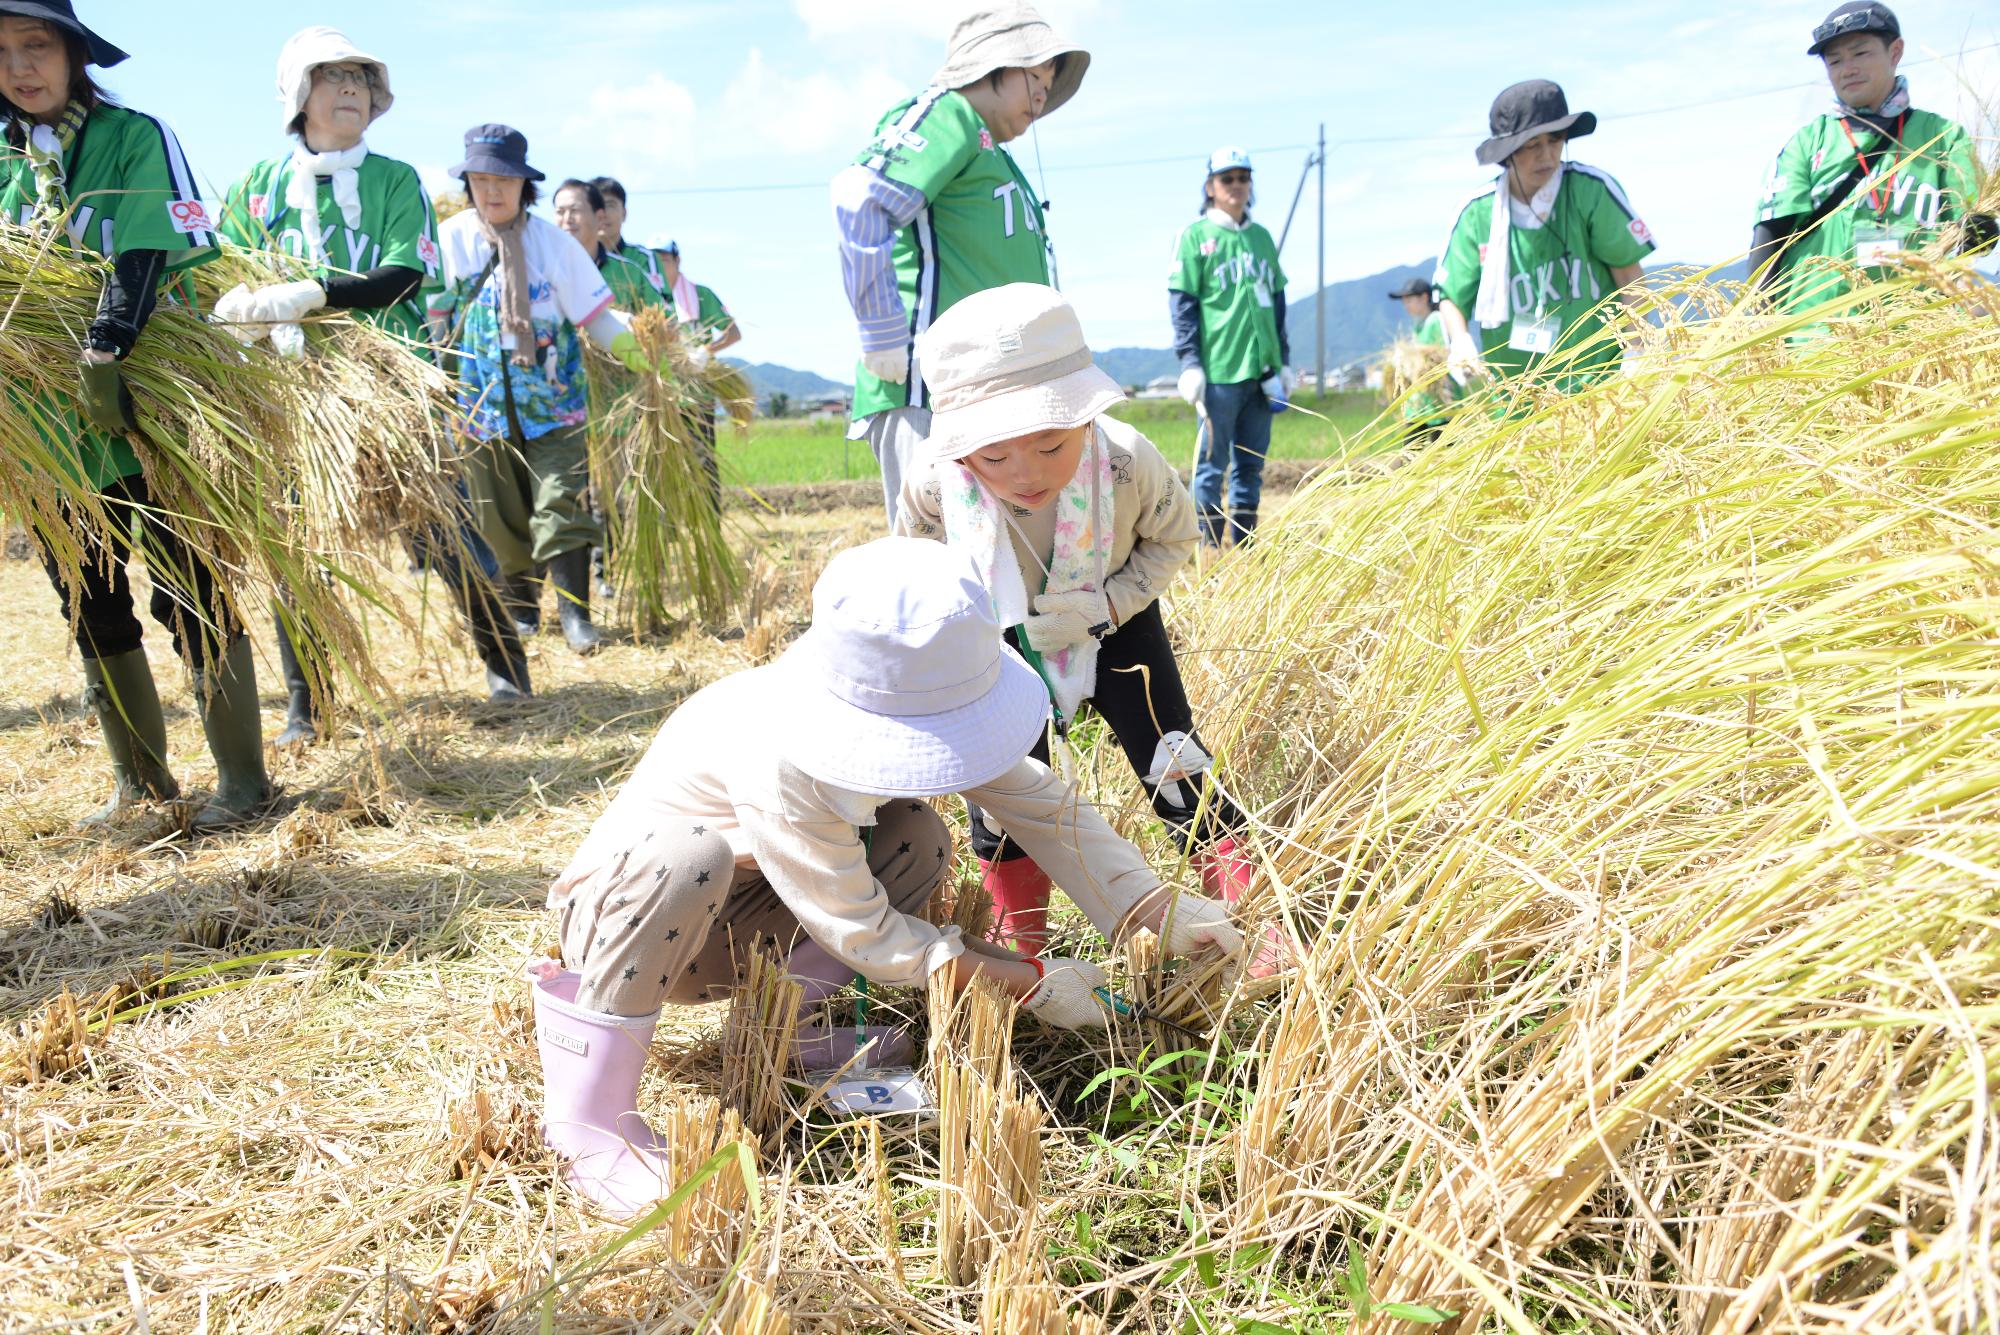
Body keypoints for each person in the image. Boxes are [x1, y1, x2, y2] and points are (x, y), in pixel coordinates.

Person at [534, 534, 1245, 1216]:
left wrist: (1156, 910)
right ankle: (590, 1115)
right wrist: (1029, 982)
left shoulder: (914, 684)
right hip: (637, 930)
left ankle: (790, 1029)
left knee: (915, 837)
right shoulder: (776, 750)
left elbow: (1042, 807)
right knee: (691, 855)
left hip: (756, 911)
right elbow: (865, 931)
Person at [893, 283, 1281, 976]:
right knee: (1006, 791)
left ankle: (1252, 920)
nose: (1027, 474)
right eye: (995, 458)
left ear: (1084, 418)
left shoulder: (1126, 460)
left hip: (1118, 627)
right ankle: (1020, 952)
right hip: (1000, 641)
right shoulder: (933, 486)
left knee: (1174, 762)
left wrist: (1106, 606)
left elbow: (1174, 538)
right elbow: (915, 570)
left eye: (1051, 444)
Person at [215, 27, 532, 744]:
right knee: (297, 545)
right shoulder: (254, 187)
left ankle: (506, 665)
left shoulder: (394, 180)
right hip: (292, 388)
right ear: (299, 93)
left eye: (360, 77)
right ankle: (308, 704)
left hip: (385, 381)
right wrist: (239, 309)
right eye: (332, 76)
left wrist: (315, 293)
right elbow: (227, 273)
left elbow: (405, 274)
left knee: (445, 530)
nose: (350, 87)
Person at [0, 0, 271, 831]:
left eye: (36, 45)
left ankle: (243, 782)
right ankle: (141, 784)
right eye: (1, 52)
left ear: (75, 53)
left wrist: (106, 346)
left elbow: (148, 248)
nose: (19, 67)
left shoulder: (134, 136)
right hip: (45, 428)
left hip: (146, 401)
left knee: (191, 587)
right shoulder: (4, 161)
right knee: (88, 599)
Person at [831, 2, 1088, 527]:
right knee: (939, 556)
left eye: (1049, 84)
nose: (1043, 96)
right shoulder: (950, 115)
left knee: (997, 559)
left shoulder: (994, 150)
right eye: (1034, 77)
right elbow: (860, 196)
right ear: (992, 67)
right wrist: (882, 333)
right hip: (932, 390)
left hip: (991, 395)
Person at [424, 125, 669, 657]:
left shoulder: (553, 245)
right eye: (481, 180)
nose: (492, 190)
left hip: (554, 404)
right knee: (497, 512)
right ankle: (522, 609)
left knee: (561, 499)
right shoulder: (449, 241)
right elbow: (429, 315)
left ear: (524, 185)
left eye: (504, 180)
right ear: (468, 184)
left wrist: (645, 358)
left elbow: (595, 318)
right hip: (479, 407)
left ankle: (576, 614)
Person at [1752, 2, 1990, 313]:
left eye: (1861, 53)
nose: (1847, 69)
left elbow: (1973, 233)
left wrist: (1981, 232)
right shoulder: (1808, 143)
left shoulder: (1944, 137)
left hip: (1915, 327)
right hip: (1814, 329)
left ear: (1895, 51)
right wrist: (1758, 316)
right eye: (1834, 60)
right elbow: (1770, 238)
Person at [1433, 80, 1655, 392]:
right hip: (1516, 393)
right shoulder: (1476, 215)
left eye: (1555, 140)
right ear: (1508, 152)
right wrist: (1460, 340)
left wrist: (1637, 346)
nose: (1547, 155)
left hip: (1600, 385)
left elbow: (1629, 275)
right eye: (1532, 145)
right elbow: (1451, 296)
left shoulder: (1589, 191)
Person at [1169, 147, 1292, 546]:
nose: (1236, 185)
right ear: (1210, 186)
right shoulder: (1194, 237)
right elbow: (1183, 305)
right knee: (1211, 465)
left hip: (1263, 373)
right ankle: (1207, 551)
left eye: (1243, 177)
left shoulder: (1261, 238)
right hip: (1219, 372)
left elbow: (1277, 304)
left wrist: (1284, 360)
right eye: (1227, 178)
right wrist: (1190, 362)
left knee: (1251, 465)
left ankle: (1245, 548)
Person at [653, 237, 738, 512]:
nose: (660, 267)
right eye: (655, 261)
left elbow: (733, 332)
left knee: (703, 463)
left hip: (697, 396)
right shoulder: (648, 297)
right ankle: (674, 523)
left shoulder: (700, 296)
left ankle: (710, 521)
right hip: (660, 396)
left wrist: (705, 351)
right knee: (664, 467)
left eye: (665, 260)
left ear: (677, 261)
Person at [552, 177, 661, 314]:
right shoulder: (541, 268)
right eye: (560, 212)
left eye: (575, 210)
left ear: (599, 217)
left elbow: (662, 318)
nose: (567, 219)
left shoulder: (630, 273)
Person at [1388, 275, 1452, 443]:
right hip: (1419, 401)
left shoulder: (1436, 320)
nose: (1406, 305)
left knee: (1443, 449)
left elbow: (1444, 353)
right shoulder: (1418, 325)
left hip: (1439, 399)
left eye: (1409, 300)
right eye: (1404, 301)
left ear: (1424, 297)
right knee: (1411, 448)